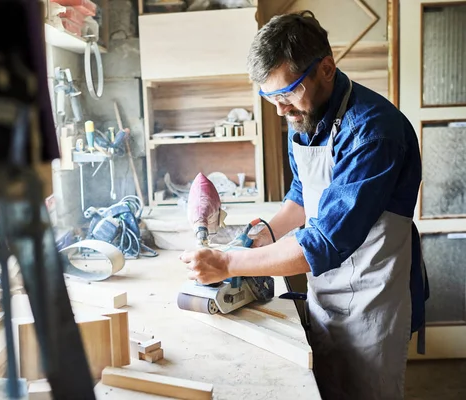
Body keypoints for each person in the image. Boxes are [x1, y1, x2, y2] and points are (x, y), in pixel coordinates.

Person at [180, 10, 429, 400]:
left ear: (326, 68)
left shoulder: (373, 132)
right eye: (270, 97)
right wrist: (269, 231)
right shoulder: (305, 115)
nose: (280, 110)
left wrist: (227, 264)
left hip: (372, 301)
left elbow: (323, 243)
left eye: (287, 92)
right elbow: (302, 194)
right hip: (325, 291)